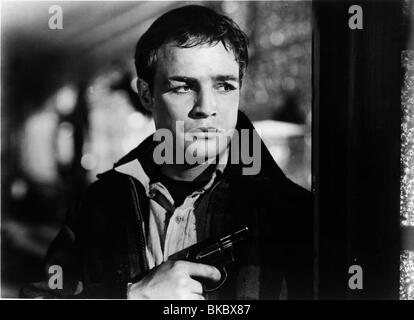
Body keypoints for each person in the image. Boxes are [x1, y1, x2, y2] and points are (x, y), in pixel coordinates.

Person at [21, 4, 313, 300]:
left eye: (224, 86)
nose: (206, 108)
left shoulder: (292, 216)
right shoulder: (97, 207)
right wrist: (130, 296)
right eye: (183, 87)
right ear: (146, 95)